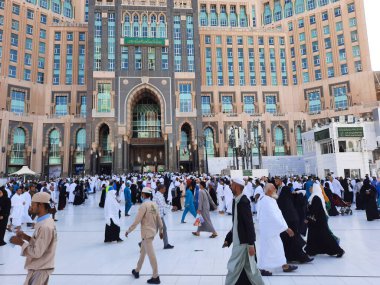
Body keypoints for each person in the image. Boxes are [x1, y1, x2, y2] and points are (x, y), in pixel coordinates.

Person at [223, 178, 265, 285]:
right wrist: (229, 238)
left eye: (232, 185)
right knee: (250, 269)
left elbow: (249, 225)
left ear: (236, 187)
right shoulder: (236, 201)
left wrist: (251, 244)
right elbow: (236, 224)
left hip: (244, 243)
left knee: (234, 268)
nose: (230, 187)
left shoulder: (243, 202)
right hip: (239, 241)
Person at [10, 192, 57, 285]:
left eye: (33, 204)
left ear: (41, 205)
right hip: (38, 267)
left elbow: (37, 252)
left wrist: (20, 243)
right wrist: (26, 237)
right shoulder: (44, 222)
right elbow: (40, 243)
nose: (30, 207)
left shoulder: (45, 226)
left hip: (40, 270)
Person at [257, 183, 298, 276]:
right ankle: (262, 268)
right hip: (269, 231)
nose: (276, 190)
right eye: (274, 188)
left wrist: (284, 226)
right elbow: (274, 217)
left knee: (277, 248)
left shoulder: (267, 199)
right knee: (267, 250)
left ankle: (284, 265)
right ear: (269, 190)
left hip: (270, 230)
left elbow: (277, 215)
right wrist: (286, 228)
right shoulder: (266, 201)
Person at [126, 187, 163, 285]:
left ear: (143, 194)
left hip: (146, 234)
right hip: (152, 232)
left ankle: (156, 276)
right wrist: (161, 230)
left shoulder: (144, 205)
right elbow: (159, 218)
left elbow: (137, 220)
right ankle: (137, 270)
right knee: (142, 252)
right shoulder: (154, 204)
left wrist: (129, 230)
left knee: (151, 256)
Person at [275, 178, 313, 264]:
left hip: (287, 222)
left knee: (290, 240)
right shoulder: (288, 200)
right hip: (289, 221)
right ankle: (299, 257)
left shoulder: (283, 199)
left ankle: (297, 257)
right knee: (291, 240)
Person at [305, 183, 345, 257]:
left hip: (319, 221)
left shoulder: (316, 197)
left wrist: (308, 218)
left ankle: (339, 250)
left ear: (315, 189)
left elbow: (315, 210)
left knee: (326, 236)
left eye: (311, 188)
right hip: (316, 220)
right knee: (313, 235)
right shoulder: (314, 196)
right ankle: (311, 250)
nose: (310, 189)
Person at [153, 184, 174, 249]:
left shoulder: (160, 195)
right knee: (163, 229)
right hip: (158, 215)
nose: (165, 190)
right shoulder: (158, 195)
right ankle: (166, 244)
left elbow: (163, 204)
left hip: (159, 215)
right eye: (164, 189)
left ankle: (142, 243)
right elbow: (162, 204)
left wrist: (171, 207)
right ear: (161, 189)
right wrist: (172, 207)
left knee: (154, 231)